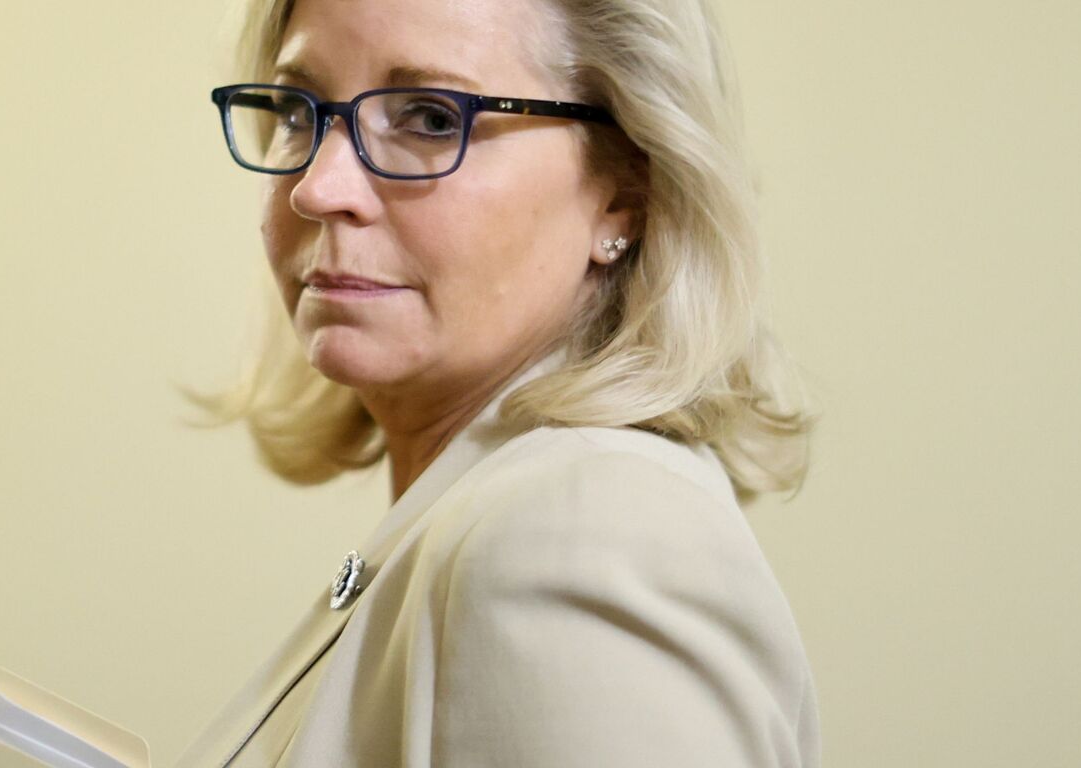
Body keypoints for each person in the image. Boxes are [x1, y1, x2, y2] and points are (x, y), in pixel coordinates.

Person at [173, 0, 820, 764]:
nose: (318, 188)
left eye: (431, 117)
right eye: (297, 110)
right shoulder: (480, 513)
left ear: (627, 190)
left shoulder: (584, 539)